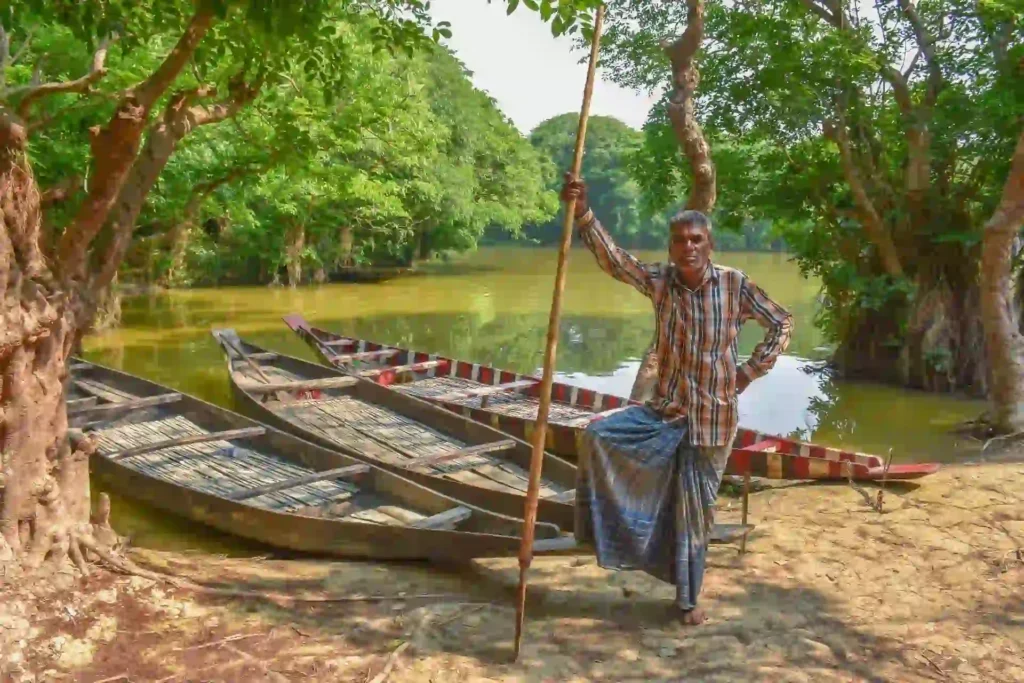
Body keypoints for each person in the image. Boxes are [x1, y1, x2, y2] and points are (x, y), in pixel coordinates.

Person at [562, 172, 793, 626]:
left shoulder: (734, 285)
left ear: (709, 245)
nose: (688, 247)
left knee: (696, 513)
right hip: (663, 413)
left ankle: (688, 600)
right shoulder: (661, 281)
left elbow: (781, 322)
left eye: (696, 239)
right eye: (679, 240)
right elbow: (616, 262)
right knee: (598, 433)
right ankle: (610, 535)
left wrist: (749, 371)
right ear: (670, 247)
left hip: (712, 422)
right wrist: (584, 213)